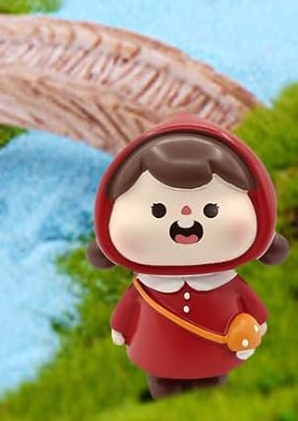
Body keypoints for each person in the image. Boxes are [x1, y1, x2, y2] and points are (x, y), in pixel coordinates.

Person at [87, 118, 287, 399]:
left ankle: (207, 390)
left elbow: (251, 307)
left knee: (210, 383)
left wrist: (256, 324)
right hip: (157, 352)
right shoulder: (147, 287)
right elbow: (129, 307)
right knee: (163, 382)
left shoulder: (226, 284)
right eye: (157, 210)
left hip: (214, 353)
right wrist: (120, 327)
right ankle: (166, 390)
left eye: (211, 210)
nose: (185, 223)